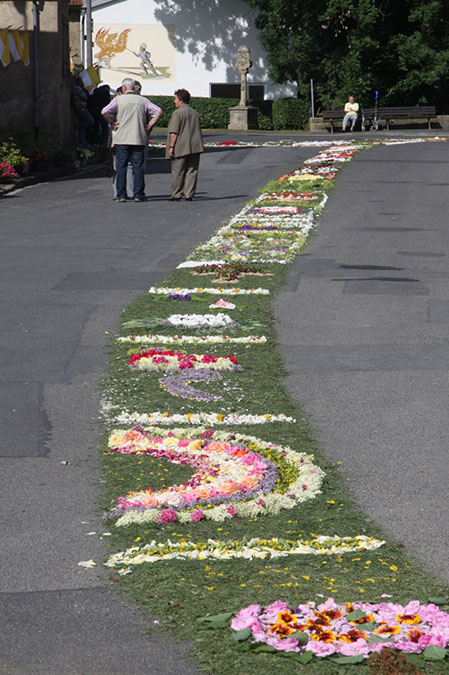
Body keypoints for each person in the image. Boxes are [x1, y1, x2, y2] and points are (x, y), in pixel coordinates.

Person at [101, 77, 162, 202]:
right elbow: (158, 111)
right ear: (134, 88)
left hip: (121, 137)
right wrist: (149, 124)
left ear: (124, 88)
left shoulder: (118, 100)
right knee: (137, 166)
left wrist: (112, 122)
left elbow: (104, 111)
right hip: (138, 137)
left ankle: (121, 194)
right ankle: (138, 194)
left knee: (121, 166)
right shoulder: (143, 100)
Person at [166, 89, 203, 201]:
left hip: (181, 146)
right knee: (192, 170)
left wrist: (171, 147)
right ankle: (189, 194)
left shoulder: (177, 113)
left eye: (175, 99)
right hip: (195, 146)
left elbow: (174, 132)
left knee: (178, 171)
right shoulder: (195, 113)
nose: (174, 101)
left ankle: (176, 194)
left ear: (181, 100)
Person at [108, 86, 134, 200]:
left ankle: (120, 192)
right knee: (125, 166)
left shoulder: (117, 108)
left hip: (119, 140)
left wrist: (112, 142)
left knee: (119, 166)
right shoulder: (124, 107)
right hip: (127, 139)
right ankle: (125, 191)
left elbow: (114, 127)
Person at [71, 76, 94, 147]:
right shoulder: (77, 88)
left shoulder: (77, 88)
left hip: (81, 108)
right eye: (81, 82)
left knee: (85, 123)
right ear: (78, 82)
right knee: (90, 121)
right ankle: (78, 128)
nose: (83, 83)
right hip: (80, 108)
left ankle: (82, 141)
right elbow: (85, 97)